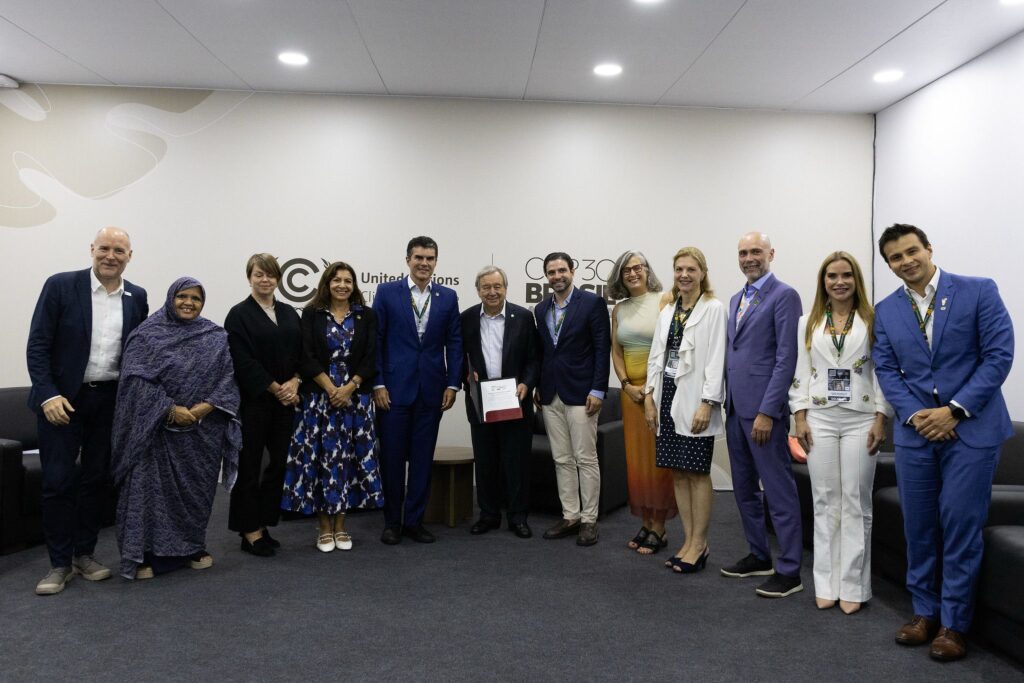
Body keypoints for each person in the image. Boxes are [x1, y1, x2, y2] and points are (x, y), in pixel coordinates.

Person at [873, 224, 1014, 661]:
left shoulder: (977, 291)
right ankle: (923, 612)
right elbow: (885, 367)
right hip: (917, 436)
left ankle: (953, 623)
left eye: (912, 251)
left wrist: (954, 410)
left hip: (971, 432)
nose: (906, 261)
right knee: (918, 527)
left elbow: (999, 355)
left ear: (929, 249)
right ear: (890, 264)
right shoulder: (887, 309)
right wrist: (917, 416)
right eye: (896, 258)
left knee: (959, 526)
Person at [26, 227, 149, 596]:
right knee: (58, 482)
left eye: (119, 250)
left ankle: (85, 554)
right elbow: (38, 345)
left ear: (130, 256)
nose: (111, 256)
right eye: (105, 248)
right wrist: (48, 395)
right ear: (92, 249)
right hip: (62, 402)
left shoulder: (137, 296)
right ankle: (59, 564)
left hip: (109, 400)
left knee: (96, 480)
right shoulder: (61, 286)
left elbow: (140, 351)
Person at [111, 277, 240, 580]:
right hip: (154, 432)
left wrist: (205, 407)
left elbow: (228, 377)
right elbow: (134, 381)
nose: (188, 303)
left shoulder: (214, 335)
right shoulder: (146, 335)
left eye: (196, 298)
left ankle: (191, 547)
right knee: (148, 492)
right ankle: (144, 553)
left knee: (196, 494)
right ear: (170, 298)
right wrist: (169, 408)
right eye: (182, 296)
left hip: (202, 431)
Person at [789, 252, 891, 613]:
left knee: (856, 501)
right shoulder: (808, 322)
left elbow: (883, 372)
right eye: (832, 276)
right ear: (823, 281)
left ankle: (853, 585)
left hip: (862, 418)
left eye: (846, 275)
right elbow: (801, 373)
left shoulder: (874, 320)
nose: (839, 281)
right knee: (824, 500)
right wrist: (799, 418)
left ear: (856, 279)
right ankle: (826, 582)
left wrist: (882, 417)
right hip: (819, 418)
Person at [721, 231, 804, 598]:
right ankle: (759, 555)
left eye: (756, 251)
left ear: (771, 253)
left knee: (778, 491)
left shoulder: (784, 295)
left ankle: (789, 570)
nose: (749, 257)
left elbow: (787, 357)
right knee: (744, 490)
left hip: (763, 413)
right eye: (743, 252)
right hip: (735, 408)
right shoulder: (737, 297)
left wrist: (769, 410)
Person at [282, 262, 384, 552]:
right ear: (327, 284)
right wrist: (331, 389)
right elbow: (306, 355)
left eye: (348, 281)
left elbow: (370, 356)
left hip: (356, 400)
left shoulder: (367, 315)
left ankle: (342, 526)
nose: (342, 285)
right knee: (320, 461)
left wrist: (350, 387)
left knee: (349, 462)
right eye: (336, 280)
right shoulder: (312, 314)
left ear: (354, 286)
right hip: (319, 399)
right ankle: (324, 527)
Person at [373, 236, 463, 544]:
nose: (424, 263)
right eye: (418, 258)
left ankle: (414, 521)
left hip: (432, 389)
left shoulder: (448, 296)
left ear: (436, 262)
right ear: (408, 259)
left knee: (423, 458)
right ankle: (392, 522)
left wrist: (453, 383)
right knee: (393, 459)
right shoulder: (386, 293)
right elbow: (377, 340)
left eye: (430, 258)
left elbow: (455, 342)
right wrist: (378, 382)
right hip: (393, 390)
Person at [644, 247, 726, 573]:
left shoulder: (714, 309)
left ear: (703, 273)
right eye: (679, 269)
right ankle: (688, 540)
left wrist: (708, 403)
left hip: (695, 400)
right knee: (677, 472)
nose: (684, 275)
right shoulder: (668, 309)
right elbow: (656, 356)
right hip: (667, 397)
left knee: (696, 472)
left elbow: (718, 359)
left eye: (691, 269)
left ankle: (701, 543)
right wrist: (649, 397)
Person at [224, 253, 302, 557]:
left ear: (278, 278)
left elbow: (300, 352)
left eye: (270, 275)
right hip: (254, 402)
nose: (265, 280)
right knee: (251, 467)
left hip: (286, 402)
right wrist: (275, 388)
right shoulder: (238, 314)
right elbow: (242, 360)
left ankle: (264, 522)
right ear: (249, 277)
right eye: (259, 274)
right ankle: (249, 530)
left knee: (278, 464)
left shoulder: (288, 312)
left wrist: (295, 380)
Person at [534, 252, 611, 546]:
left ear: (573, 271)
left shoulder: (592, 303)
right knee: (562, 459)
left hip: (582, 393)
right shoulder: (541, 309)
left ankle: (589, 520)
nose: (557, 276)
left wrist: (598, 389)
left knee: (585, 458)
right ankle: (571, 515)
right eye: (551, 272)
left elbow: (601, 349)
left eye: (562, 270)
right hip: (550, 392)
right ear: (547, 276)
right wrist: (540, 385)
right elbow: (543, 352)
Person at [461, 265, 541, 538]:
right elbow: (459, 355)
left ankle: (518, 517)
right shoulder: (467, 318)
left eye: (497, 286)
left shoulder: (523, 317)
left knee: (516, 461)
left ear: (506, 288)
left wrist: (526, 384)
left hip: (515, 401)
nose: (492, 292)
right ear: (478, 290)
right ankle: (488, 514)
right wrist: (465, 373)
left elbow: (534, 359)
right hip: (480, 402)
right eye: (486, 287)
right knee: (486, 461)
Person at [607, 250, 676, 555]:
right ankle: (646, 521)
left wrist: (648, 390)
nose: (633, 273)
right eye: (627, 271)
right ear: (620, 277)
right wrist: (624, 384)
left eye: (638, 268)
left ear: (648, 270)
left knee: (658, 461)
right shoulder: (619, 310)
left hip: (658, 393)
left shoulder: (665, 300)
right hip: (629, 394)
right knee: (636, 462)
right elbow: (617, 352)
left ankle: (660, 528)